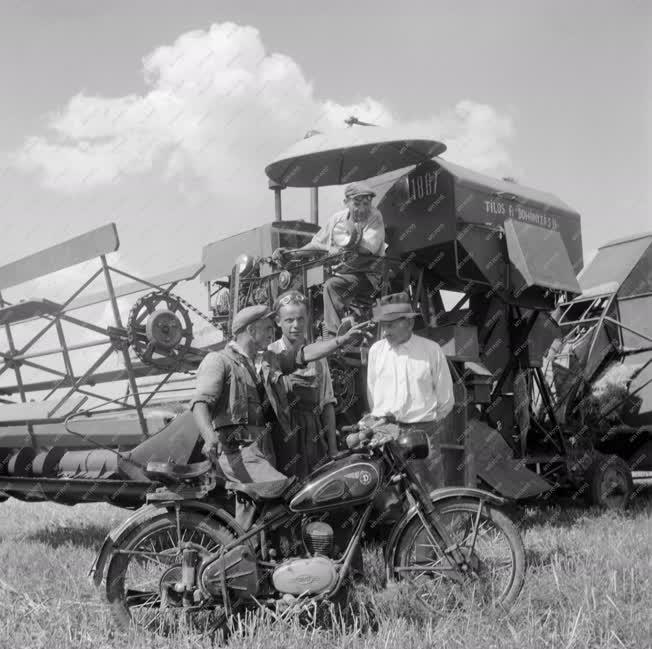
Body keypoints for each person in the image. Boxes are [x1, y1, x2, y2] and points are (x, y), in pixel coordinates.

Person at [190, 304, 369, 491]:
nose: (272, 331)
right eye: (267, 327)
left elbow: (304, 354)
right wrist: (209, 436)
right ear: (251, 330)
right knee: (286, 491)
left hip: (264, 449)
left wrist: (341, 340)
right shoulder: (219, 360)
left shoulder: (266, 361)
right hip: (237, 452)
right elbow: (200, 402)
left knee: (252, 512)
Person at [366, 292, 455, 493]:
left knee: (429, 488)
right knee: (390, 488)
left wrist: (425, 423)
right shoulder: (376, 352)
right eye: (383, 325)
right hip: (385, 431)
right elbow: (372, 394)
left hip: (423, 430)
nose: (385, 331)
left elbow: (445, 399)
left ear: (409, 324)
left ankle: (438, 523)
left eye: (391, 325)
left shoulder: (431, 351)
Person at [275, 181, 385, 337]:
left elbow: (367, 249)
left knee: (331, 286)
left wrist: (344, 246)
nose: (362, 208)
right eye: (357, 203)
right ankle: (314, 333)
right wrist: (293, 254)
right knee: (310, 291)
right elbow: (317, 244)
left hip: (367, 275)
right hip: (342, 273)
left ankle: (333, 337)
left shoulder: (375, 216)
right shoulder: (336, 219)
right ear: (346, 202)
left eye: (366, 203)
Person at [268, 290, 337, 478]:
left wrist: (333, 450)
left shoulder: (319, 356)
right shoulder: (269, 354)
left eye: (301, 319)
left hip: (313, 439)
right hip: (281, 439)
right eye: (289, 320)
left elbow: (327, 403)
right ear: (278, 321)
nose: (296, 325)